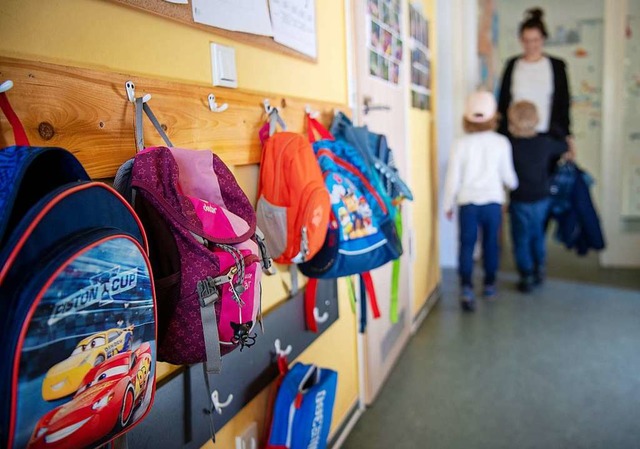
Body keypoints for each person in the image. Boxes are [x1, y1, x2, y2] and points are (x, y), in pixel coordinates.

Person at [443, 91, 518, 311]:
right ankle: (489, 285)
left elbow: (452, 178)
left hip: (468, 203)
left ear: (466, 118)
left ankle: (466, 287)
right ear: (494, 117)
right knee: (490, 245)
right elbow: (509, 177)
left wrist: (448, 204)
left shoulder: (460, 144)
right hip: (494, 203)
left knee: (466, 245)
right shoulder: (501, 143)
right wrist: (515, 186)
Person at [507, 101, 574, 293]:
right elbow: (564, 147)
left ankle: (526, 274)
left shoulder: (509, 145)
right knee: (537, 235)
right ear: (536, 120)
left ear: (512, 122)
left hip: (519, 198)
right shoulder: (545, 143)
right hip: (542, 198)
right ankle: (539, 268)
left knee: (520, 238)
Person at [497, 8, 571, 140]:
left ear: (543, 39)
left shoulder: (557, 66)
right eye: (526, 40)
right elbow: (503, 102)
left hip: (548, 136)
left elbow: (563, 104)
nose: (530, 45)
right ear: (521, 40)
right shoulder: (512, 64)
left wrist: (568, 136)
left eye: (535, 40)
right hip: (515, 136)